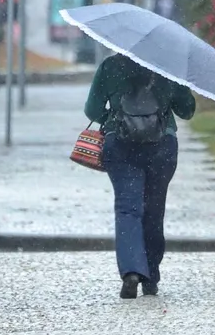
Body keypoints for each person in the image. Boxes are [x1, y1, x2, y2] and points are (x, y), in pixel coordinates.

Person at [84, 53, 196, 298]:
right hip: (162, 146)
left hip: (120, 145)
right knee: (154, 210)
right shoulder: (168, 65)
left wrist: (115, 120)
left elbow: (91, 109)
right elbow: (187, 111)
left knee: (128, 208)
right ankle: (151, 276)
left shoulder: (110, 66)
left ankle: (132, 271)